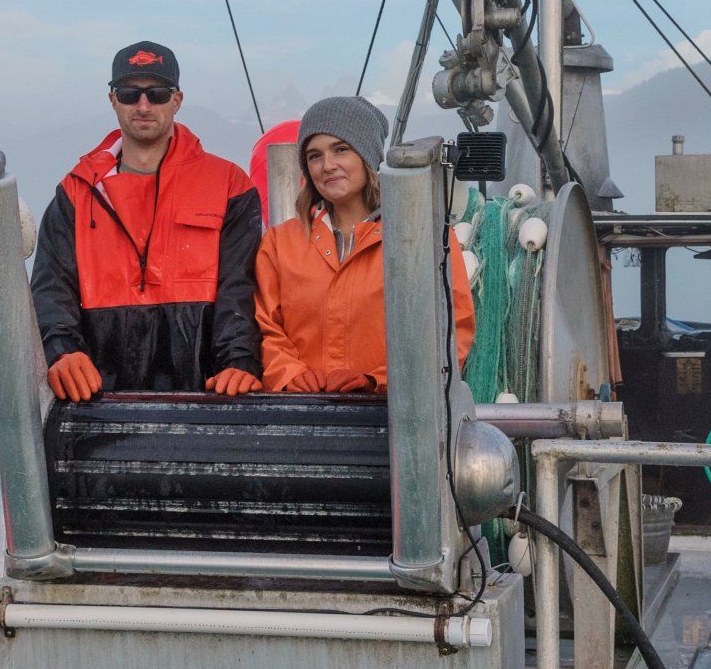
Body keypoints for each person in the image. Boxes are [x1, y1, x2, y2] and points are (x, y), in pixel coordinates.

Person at [31, 41, 263, 401]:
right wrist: (62, 351)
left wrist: (241, 361)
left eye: (156, 93)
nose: (143, 105)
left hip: (209, 399)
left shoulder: (230, 185)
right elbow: (51, 286)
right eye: (129, 93)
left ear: (177, 99)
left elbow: (241, 286)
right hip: (96, 405)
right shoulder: (76, 191)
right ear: (112, 100)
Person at [255, 95, 474, 393]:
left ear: (367, 155)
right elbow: (265, 328)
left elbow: (450, 330)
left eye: (341, 149)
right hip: (301, 415)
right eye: (314, 156)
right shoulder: (280, 243)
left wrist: (378, 380)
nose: (327, 165)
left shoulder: (423, 237)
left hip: (391, 419)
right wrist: (290, 374)